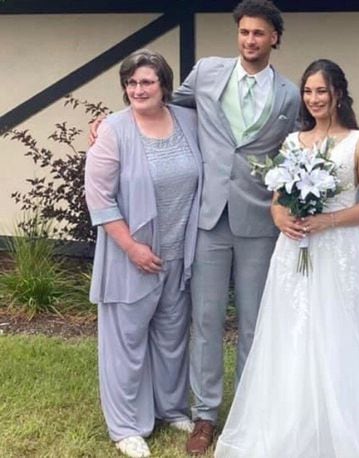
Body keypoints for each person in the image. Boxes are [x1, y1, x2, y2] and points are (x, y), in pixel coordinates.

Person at [214, 59, 359, 458]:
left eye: (321, 91)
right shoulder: (291, 143)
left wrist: (328, 220)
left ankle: (349, 428)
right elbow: (277, 200)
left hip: (343, 252)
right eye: (308, 91)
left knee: (342, 336)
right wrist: (282, 216)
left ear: (337, 93)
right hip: (295, 251)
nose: (314, 99)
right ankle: (293, 426)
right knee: (294, 334)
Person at [171, 1, 300, 453]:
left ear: (274, 38)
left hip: (260, 219)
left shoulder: (289, 94)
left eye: (259, 34)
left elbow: (301, 145)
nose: (250, 41)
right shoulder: (206, 72)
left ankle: (248, 413)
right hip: (209, 216)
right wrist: (113, 127)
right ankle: (204, 415)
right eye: (244, 32)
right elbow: (168, 106)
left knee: (254, 322)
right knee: (205, 320)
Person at [84, 49, 202, 458]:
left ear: (164, 86)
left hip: (177, 253)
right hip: (130, 256)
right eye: (131, 83)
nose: (138, 89)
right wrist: (132, 248)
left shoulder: (188, 119)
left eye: (147, 82)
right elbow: (99, 200)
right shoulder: (113, 131)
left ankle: (170, 407)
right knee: (126, 343)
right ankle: (126, 427)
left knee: (172, 337)